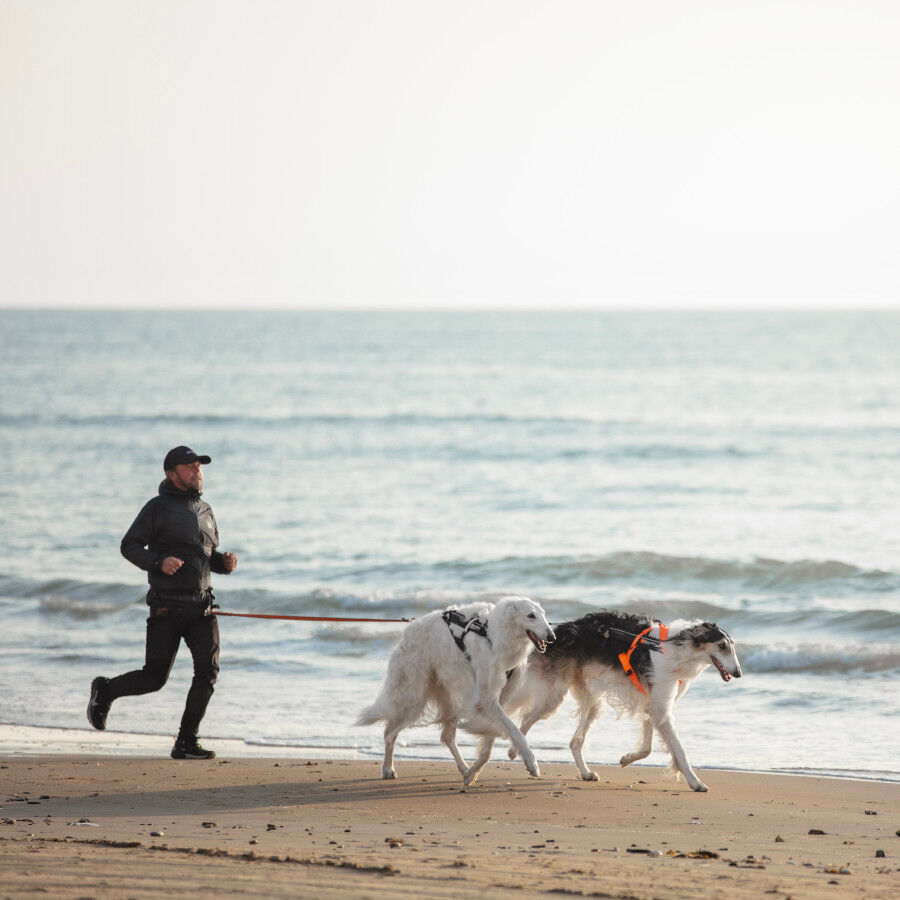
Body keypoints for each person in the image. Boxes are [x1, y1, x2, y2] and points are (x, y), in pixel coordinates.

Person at [87, 446, 238, 759]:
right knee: (154, 678)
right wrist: (157, 562)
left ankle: (185, 742)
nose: (198, 470)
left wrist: (224, 563)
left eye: (199, 466)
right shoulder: (157, 507)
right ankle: (105, 690)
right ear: (172, 474)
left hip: (202, 609)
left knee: (207, 673)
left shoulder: (206, 510)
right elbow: (129, 546)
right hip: (166, 608)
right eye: (191, 466)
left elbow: (207, 560)